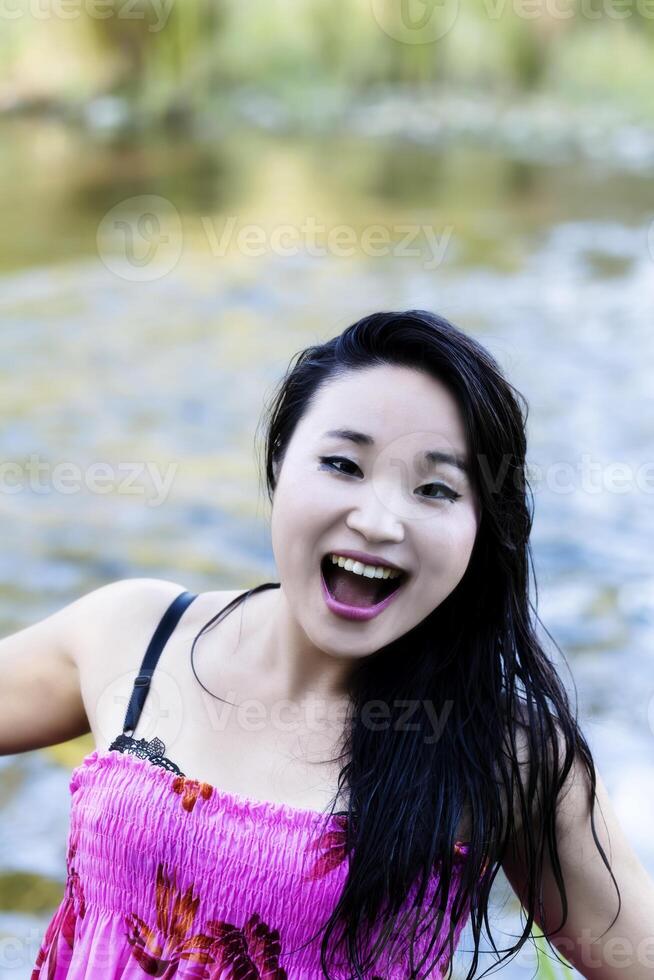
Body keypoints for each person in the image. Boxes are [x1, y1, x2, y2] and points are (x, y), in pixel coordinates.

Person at [1, 309, 652, 979]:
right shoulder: (140, 636)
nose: (376, 521)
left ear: (479, 527)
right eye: (343, 464)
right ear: (281, 461)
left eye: (435, 488)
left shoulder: (501, 752)